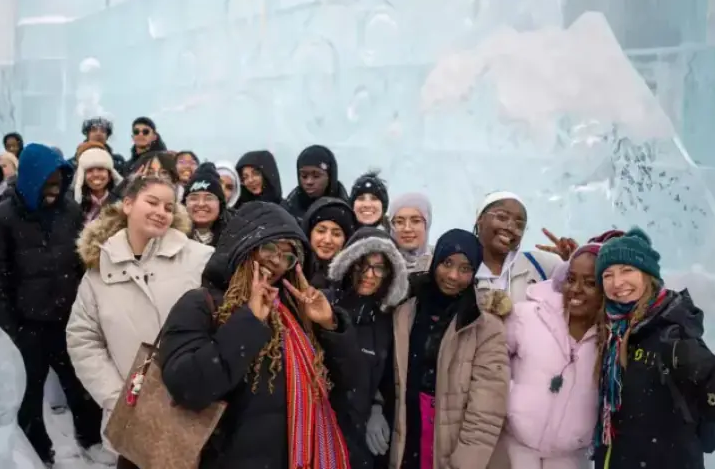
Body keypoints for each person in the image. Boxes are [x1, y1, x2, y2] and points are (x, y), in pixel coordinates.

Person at [158, 201, 367, 469]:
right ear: (243, 245)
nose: (276, 261)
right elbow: (188, 386)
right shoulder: (202, 304)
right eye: (269, 248)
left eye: (288, 256)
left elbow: (351, 383)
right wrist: (249, 322)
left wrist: (330, 325)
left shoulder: (298, 312)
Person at [0, 143, 108, 467]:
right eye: (47, 184)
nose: (53, 191)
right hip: (25, 324)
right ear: (30, 180)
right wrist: (7, 330)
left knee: (81, 385)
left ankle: (91, 438)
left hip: (67, 319)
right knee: (28, 394)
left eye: (58, 184)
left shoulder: (70, 211)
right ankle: (38, 450)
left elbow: (81, 265)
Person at [66, 175, 212, 460]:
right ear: (128, 205)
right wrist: (117, 397)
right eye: (152, 202)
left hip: (192, 412)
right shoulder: (99, 269)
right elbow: (83, 338)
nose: (161, 212)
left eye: (169, 207)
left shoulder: (200, 259)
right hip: (131, 418)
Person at [592, 228, 715, 469]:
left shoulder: (672, 332)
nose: (617, 282)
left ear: (647, 275)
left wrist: (709, 376)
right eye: (607, 274)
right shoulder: (615, 332)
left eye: (627, 270)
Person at [389, 229, 511, 469]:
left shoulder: (485, 327)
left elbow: (485, 410)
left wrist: (464, 463)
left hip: (453, 443)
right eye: (447, 264)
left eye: (465, 269)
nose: (453, 276)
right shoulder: (405, 313)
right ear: (435, 262)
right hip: (408, 437)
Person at [501, 237, 619, 469]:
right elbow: (493, 361)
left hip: (570, 457)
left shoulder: (613, 339)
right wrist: (511, 398)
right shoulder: (528, 315)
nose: (576, 289)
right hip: (514, 446)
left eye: (590, 283)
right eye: (571, 279)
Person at [324, 227, 410, 468]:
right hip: (321, 425)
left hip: (361, 434)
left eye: (379, 268)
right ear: (349, 264)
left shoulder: (385, 319)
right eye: (362, 265)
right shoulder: (325, 305)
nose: (369, 275)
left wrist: (377, 406)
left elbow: (384, 375)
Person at [473, 191, 561, 303]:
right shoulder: (463, 267)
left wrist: (573, 257)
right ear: (480, 219)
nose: (510, 227)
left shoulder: (541, 265)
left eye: (519, 224)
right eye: (502, 217)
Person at [284, 144, 349, 220]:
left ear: (330, 176)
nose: (309, 182)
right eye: (304, 176)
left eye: (316, 176)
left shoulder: (350, 212)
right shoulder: (285, 212)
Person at [389, 192, 433, 273]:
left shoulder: (439, 267)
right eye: (399, 222)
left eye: (416, 221)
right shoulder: (380, 265)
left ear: (426, 225)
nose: (407, 229)